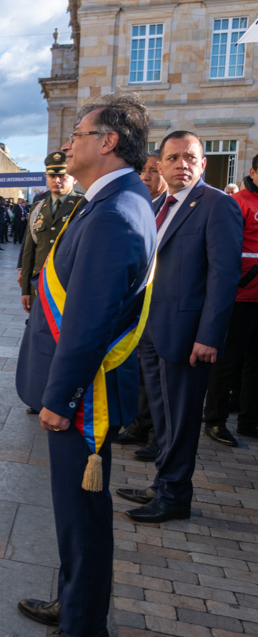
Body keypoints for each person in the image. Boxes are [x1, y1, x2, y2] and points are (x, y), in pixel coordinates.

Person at [13, 94, 157, 637]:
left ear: (107, 143)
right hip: (80, 393)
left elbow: (90, 322)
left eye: (78, 133)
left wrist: (59, 397)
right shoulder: (110, 201)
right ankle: (74, 602)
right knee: (75, 512)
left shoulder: (117, 211)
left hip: (83, 398)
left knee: (83, 514)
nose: (67, 143)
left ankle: (83, 630)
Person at [117, 130, 243, 524]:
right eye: (172, 158)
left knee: (182, 419)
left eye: (190, 157)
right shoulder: (157, 204)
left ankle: (175, 496)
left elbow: (225, 276)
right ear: (160, 165)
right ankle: (162, 484)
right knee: (164, 418)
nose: (181, 164)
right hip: (152, 333)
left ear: (203, 164)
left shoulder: (217, 205)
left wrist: (209, 336)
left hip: (188, 338)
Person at [115, 149, 169, 461]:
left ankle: (156, 436)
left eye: (153, 171)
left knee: (157, 379)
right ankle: (140, 424)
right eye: (143, 171)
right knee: (140, 370)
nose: (147, 177)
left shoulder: (167, 207)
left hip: (161, 306)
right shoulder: (142, 205)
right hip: (138, 303)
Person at [203, 154, 258, 443]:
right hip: (240, 297)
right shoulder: (239, 202)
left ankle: (250, 421)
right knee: (227, 362)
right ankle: (215, 420)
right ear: (252, 172)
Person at [19, 152, 83, 314]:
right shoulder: (38, 208)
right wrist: (26, 289)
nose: (57, 181)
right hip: (40, 287)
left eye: (62, 176)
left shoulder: (84, 206)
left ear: (74, 178)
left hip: (69, 288)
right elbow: (29, 251)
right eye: (52, 176)